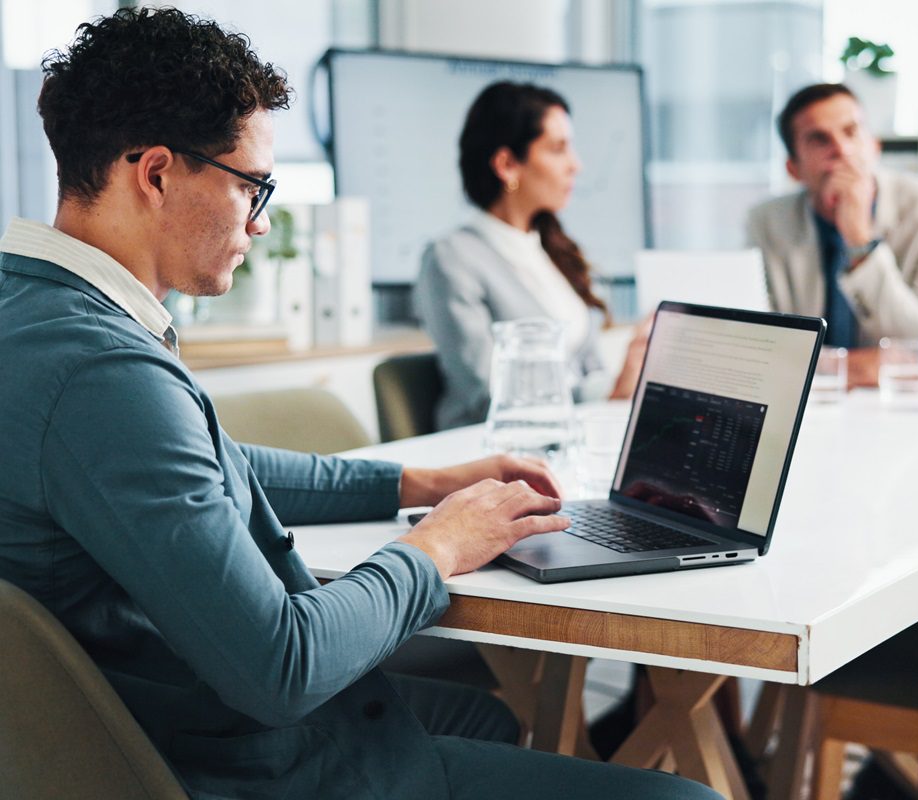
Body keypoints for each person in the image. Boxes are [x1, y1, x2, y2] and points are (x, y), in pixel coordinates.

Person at [0, 9, 719, 800]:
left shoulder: (35, 316)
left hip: (139, 727)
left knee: (488, 715)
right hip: (242, 765)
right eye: (252, 186)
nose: (263, 220)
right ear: (159, 173)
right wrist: (439, 547)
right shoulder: (104, 376)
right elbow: (284, 666)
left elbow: (217, 465)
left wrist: (421, 486)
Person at [416, 81, 647, 431]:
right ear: (507, 164)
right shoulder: (452, 258)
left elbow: (589, 370)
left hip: (568, 442)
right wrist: (612, 391)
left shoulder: (552, 250)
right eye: (558, 149)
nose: (576, 165)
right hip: (489, 458)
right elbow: (488, 396)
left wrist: (629, 379)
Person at [746, 82, 918, 386]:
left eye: (851, 132)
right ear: (793, 168)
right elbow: (757, 349)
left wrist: (859, 241)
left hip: (910, 407)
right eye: (819, 139)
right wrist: (850, 367)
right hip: (815, 406)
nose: (841, 150)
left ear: (874, 146)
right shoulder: (766, 221)